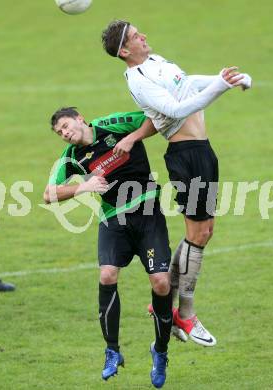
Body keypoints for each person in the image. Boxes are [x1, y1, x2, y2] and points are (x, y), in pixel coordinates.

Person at [101, 20, 252, 346]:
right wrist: (220, 88)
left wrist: (225, 78)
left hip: (203, 151)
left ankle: (163, 305)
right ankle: (184, 314)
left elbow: (187, 83)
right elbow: (177, 108)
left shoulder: (156, 62)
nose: (143, 35)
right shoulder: (138, 80)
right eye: (135, 36)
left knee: (204, 232)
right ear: (125, 51)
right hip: (185, 156)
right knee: (196, 234)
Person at [44, 107, 172, 388]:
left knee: (161, 283)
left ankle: (160, 351)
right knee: (107, 275)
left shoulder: (112, 124)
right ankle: (112, 350)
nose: (64, 134)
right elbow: (48, 194)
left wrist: (133, 137)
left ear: (79, 118)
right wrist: (82, 188)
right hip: (114, 219)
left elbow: (155, 119)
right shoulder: (71, 158)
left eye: (66, 126)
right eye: (59, 133)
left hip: (148, 212)